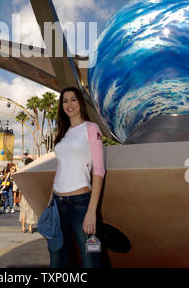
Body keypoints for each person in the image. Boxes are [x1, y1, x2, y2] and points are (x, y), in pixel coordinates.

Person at [48, 86, 106, 269]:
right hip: (57, 204)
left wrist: (91, 212)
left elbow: (99, 171)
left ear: (80, 102)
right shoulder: (63, 134)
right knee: (57, 262)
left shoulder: (91, 128)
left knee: (91, 261)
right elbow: (61, 168)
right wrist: (50, 204)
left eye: (73, 99)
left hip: (80, 204)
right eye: (65, 101)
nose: (69, 104)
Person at [19, 158, 37, 233]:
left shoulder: (23, 172)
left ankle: (23, 227)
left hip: (24, 192)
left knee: (23, 210)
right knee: (31, 211)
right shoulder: (33, 172)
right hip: (32, 192)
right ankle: (30, 227)